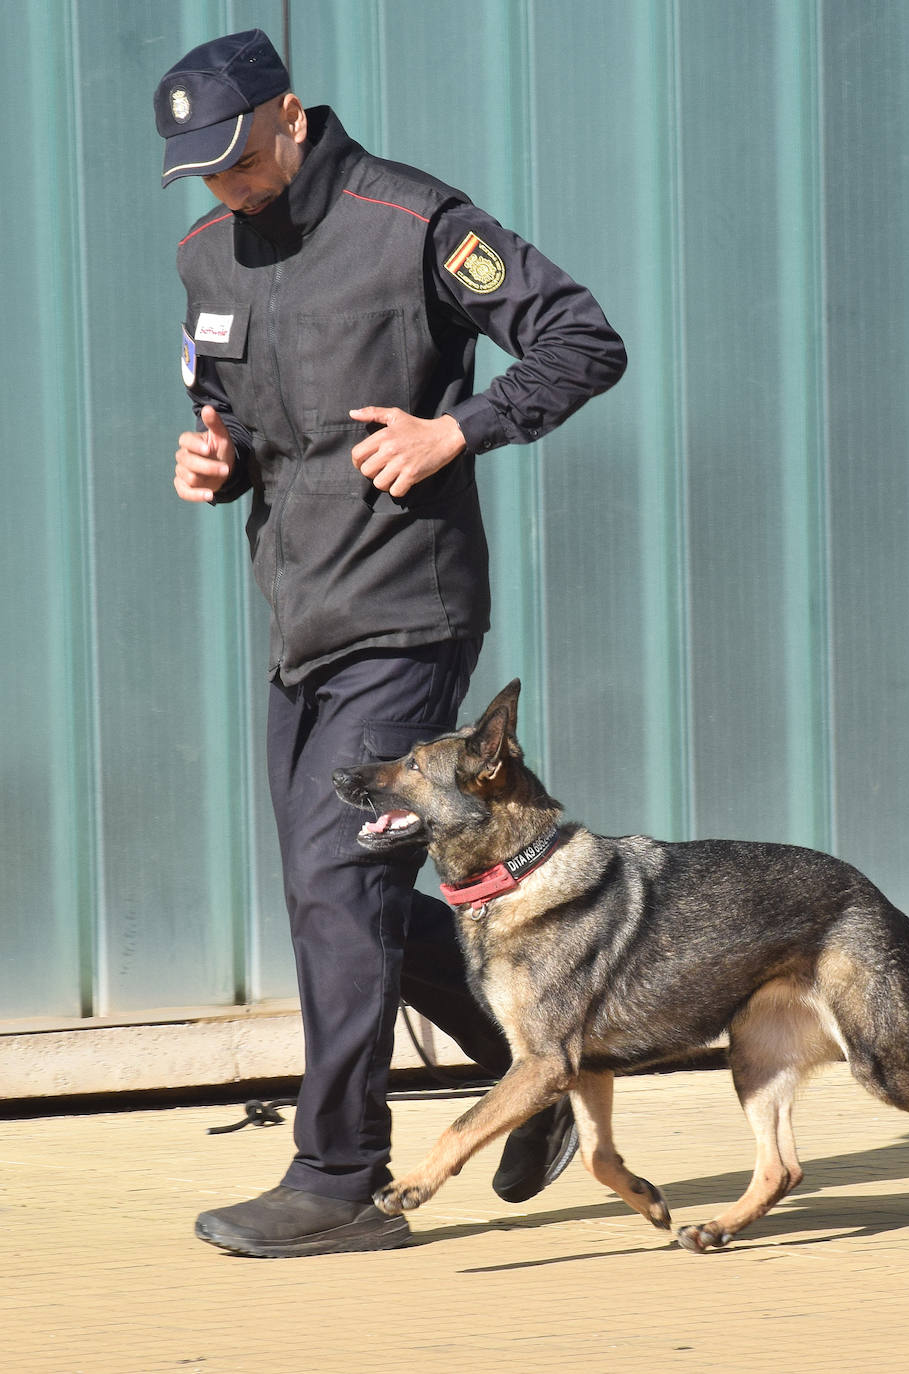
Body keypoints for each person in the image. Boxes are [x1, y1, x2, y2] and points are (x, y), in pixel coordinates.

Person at [154, 29, 627, 1258]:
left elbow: (581, 338)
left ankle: (341, 1180)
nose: (225, 186)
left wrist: (457, 430)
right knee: (339, 893)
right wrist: (214, 457)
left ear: (290, 115)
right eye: (202, 171)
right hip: (299, 612)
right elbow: (227, 411)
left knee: (338, 888)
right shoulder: (206, 254)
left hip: (408, 610)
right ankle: (534, 1066)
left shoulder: (412, 220)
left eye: (238, 157)